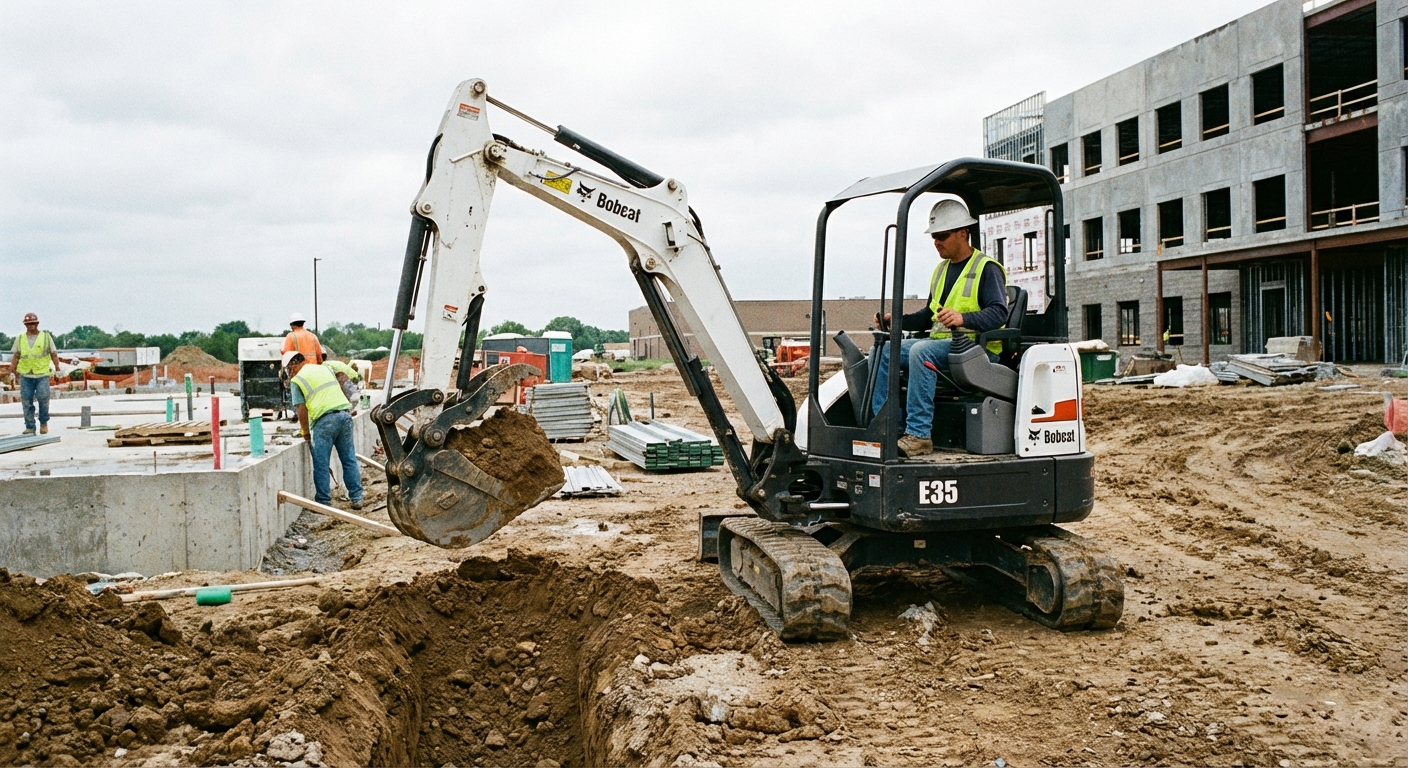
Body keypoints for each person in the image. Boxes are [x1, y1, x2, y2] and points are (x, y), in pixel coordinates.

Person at [870, 199, 1010, 458]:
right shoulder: (941, 270)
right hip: (942, 347)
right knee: (883, 351)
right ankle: (889, 427)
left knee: (920, 352)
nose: (937, 242)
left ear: (963, 233)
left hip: (974, 351)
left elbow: (999, 312)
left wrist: (963, 318)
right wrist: (896, 321)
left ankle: (919, 435)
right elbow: (928, 316)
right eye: (934, 237)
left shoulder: (986, 269)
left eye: (942, 236)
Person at [284, 350, 364, 509]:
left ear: (292, 366)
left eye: (287, 369)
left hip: (324, 421)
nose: (288, 373)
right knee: (348, 459)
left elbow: (300, 408)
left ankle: (323, 502)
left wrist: (305, 432)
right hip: (344, 416)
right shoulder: (324, 368)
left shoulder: (297, 380)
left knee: (321, 462)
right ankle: (357, 497)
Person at [7, 313, 64, 436]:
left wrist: (58, 369)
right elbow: (16, 356)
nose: (30, 326)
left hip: (41, 374)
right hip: (26, 374)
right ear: (25, 325)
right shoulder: (20, 338)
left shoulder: (46, 337)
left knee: (43, 398)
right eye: (28, 324)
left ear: (37, 324)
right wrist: (12, 371)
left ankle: (43, 422)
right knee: (26, 401)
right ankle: (30, 427)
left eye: (32, 323)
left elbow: (53, 354)